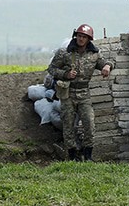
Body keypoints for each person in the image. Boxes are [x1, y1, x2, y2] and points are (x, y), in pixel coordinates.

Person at [48, 24, 114, 161]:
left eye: (84, 37)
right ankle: (72, 155)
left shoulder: (94, 54)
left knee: (89, 124)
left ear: (89, 39)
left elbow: (105, 63)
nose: (81, 39)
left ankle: (88, 155)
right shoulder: (64, 53)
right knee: (68, 125)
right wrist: (65, 74)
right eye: (79, 36)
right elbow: (52, 69)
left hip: (84, 93)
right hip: (68, 93)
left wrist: (107, 66)